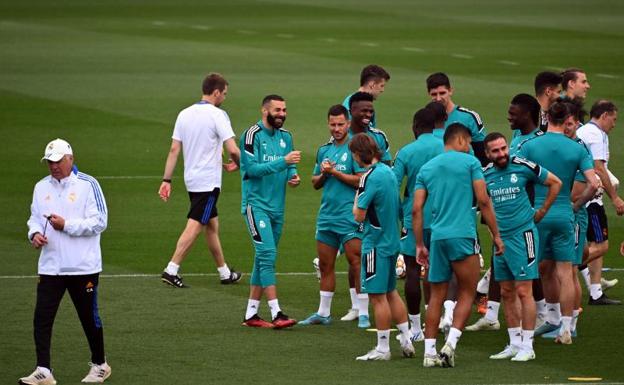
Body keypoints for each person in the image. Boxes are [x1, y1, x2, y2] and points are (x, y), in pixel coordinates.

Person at [413, 123, 504, 368]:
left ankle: (428, 353)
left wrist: (420, 244)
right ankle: (450, 344)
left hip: (437, 238)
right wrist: (496, 235)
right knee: (467, 291)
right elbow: (483, 201)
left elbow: (416, 210)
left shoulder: (427, 168)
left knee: (436, 297)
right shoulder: (470, 163)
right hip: (463, 235)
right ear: (462, 140)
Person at [21, 139, 111, 384]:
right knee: (42, 317)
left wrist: (67, 226)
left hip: (83, 267)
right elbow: (34, 218)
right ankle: (43, 370)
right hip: (50, 266)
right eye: (50, 162)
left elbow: (100, 221)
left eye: (58, 161)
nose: (53, 166)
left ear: (70, 158)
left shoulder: (88, 184)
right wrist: (34, 233)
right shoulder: (41, 187)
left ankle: (100, 364)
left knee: (88, 317)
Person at [518, 101, 599, 344]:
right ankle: (565, 328)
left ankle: (528, 330)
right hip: (565, 212)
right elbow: (594, 184)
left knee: (532, 272)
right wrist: (576, 205)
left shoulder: (530, 146)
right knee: (565, 272)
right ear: (566, 121)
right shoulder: (576, 148)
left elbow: (518, 178)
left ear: (546, 118)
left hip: (538, 213)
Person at [467, 94, 544, 333]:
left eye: (513, 113)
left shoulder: (534, 144)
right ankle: (502, 324)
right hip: (502, 222)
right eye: (496, 150)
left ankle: (543, 319)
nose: (508, 116)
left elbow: (545, 179)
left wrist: (538, 210)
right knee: (509, 285)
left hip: (523, 222)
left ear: (528, 114)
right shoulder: (518, 138)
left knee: (528, 280)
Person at [483, 133, 562, 362]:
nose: (502, 154)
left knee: (523, 291)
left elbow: (555, 182)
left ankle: (528, 345)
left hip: (523, 235)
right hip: (501, 241)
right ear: (488, 154)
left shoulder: (522, 165)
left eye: (503, 148)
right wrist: (494, 234)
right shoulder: (485, 174)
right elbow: (485, 206)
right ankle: (514, 343)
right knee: (507, 291)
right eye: (495, 151)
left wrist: (542, 211)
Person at [158, 73, 242, 288]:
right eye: (224, 93)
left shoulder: (184, 114)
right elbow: (232, 148)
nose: (224, 97)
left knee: (212, 225)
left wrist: (166, 179)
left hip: (192, 179)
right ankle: (171, 268)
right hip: (209, 182)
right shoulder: (218, 115)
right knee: (196, 224)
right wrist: (244, 166)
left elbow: (174, 149)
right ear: (216, 92)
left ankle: (224, 272)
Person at [298, 105, 365, 326]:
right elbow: (315, 182)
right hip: (327, 216)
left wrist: (335, 172)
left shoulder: (356, 147)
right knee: (326, 265)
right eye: (332, 124)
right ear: (328, 124)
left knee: (356, 262)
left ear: (348, 124)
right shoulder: (323, 150)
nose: (336, 129)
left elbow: (361, 179)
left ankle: (362, 311)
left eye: (340, 124)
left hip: (350, 215)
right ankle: (323, 313)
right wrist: (325, 175)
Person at [351, 133, 414, 361]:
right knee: (391, 292)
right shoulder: (388, 172)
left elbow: (358, 215)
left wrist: (358, 194)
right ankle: (406, 340)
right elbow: (398, 208)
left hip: (375, 245)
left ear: (359, 154)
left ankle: (383, 348)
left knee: (377, 297)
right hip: (392, 241)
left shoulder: (368, 178)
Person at [240, 94, 301, 329]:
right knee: (267, 255)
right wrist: (283, 163)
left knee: (262, 257)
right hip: (256, 206)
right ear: (265, 111)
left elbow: (291, 165)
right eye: (277, 110)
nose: (282, 114)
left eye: (284, 110)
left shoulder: (287, 137)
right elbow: (252, 169)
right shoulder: (251, 135)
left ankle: (251, 314)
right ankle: (277, 312)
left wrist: (292, 175)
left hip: (278, 209)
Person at [339, 91, 392, 326]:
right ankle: (357, 307)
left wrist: (359, 182)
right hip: (345, 207)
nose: (368, 115)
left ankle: (381, 342)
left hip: (371, 216)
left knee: (377, 289)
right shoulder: (341, 135)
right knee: (354, 259)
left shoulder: (378, 138)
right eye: (364, 111)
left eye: (371, 111)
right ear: (352, 112)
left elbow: (387, 169)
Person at [392, 107, 444, 342]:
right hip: (445, 215)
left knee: (413, 269)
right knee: (440, 270)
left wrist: (395, 215)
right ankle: (439, 319)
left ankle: (415, 328)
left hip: (415, 216)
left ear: (415, 127)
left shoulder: (406, 151)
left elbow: (393, 185)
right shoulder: (446, 147)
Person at [576, 100, 623, 305]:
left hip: (587, 195)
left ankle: (595, 293)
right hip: (590, 198)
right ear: (604, 115)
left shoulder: (586, 130)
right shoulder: (595, 135)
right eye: (613, 119)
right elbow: (598, 168)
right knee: (601, 246)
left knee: (595, 243)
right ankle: (565, 267)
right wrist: (615, 198)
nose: (614, 124)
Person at [425, 72, 488, 165]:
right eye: (434, 94)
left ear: (450, 91)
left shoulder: (469, 117)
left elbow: (482, 155)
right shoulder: (426, 118)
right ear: (428, 94)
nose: (438, 98)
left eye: (442, 93)